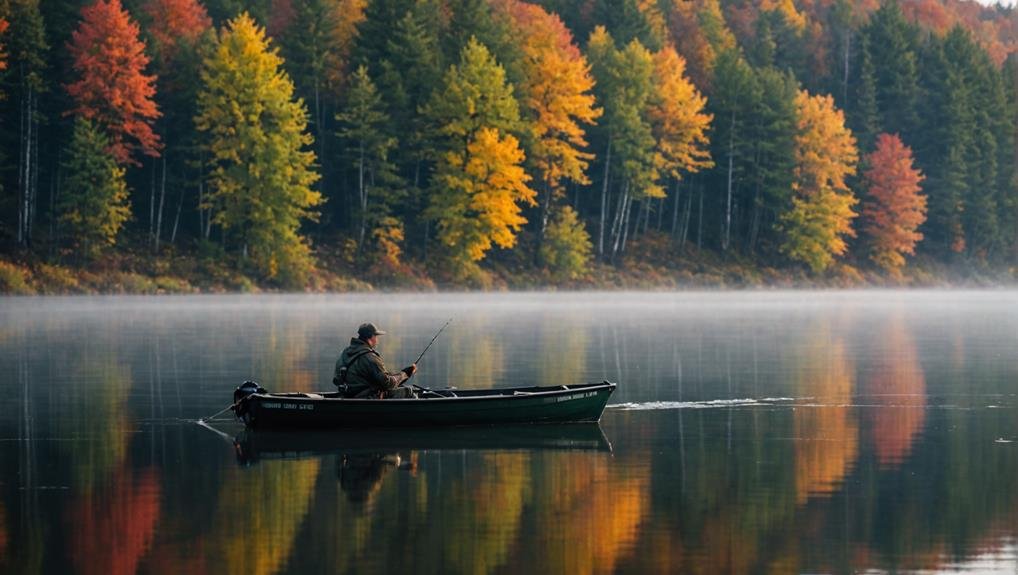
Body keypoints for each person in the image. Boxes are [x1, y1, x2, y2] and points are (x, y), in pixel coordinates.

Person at [334, 323, 418, 398]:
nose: (377, 340)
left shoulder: (345, 353)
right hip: (366, 399)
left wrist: (404, 374)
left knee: (399, 387)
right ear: (371, 337)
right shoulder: (370, 357)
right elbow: (387, 384)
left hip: (347, 396)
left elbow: (336, 379)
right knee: (408, 391)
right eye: (376, 336)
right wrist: (405, 374)